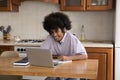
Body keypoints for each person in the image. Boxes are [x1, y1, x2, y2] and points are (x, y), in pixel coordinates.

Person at [40, 12, 88, 80]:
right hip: (56, 72)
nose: (54, 35)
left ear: (64, 29)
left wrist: (68, 58)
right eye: (52, 32)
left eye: (56, 31)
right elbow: (41, 53)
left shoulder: (72, 38)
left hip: (72, 72)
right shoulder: (50, 38)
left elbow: (84, 56)